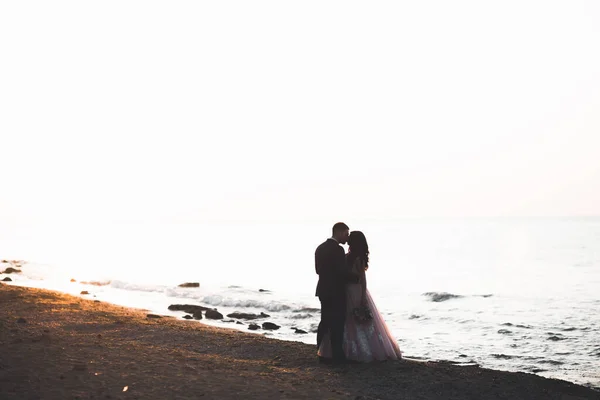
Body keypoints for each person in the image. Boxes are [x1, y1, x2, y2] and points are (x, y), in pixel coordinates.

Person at [318, 230, 402, 362]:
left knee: (353, 319)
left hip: (353, 291)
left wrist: (363, 296)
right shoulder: (349, 256)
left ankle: (350, 350)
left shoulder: (354, 258)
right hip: (349, 290)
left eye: (350, 237)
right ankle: (349, 350)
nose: (348, 238)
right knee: (348, 320)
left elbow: (362, 280)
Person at [315, 222, 357, 363]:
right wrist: (356, 277)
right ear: (339, 232)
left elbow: (318, 270)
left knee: (325, 321)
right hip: (336, 291)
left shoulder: (319, 248)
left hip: (323, 289)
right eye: (346, 234)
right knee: (337, 323)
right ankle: (337, 356)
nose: (347, 238)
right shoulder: (338, 250)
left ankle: (320, 351)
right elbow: (341, 272)